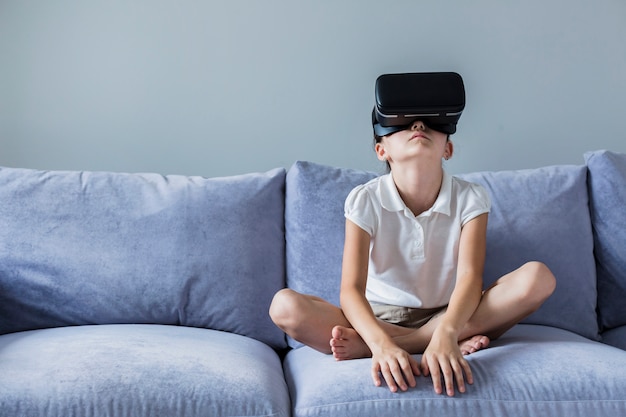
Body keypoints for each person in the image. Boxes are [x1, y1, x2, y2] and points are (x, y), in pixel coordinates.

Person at [269, 76, 556, 397]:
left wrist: (446, 330)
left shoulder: (471, 198)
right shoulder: (365, 199)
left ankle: (425, 341)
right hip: (379, 317)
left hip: (453, 313)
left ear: (448, 148)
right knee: (285, 306)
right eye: (404, 124)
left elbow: (470, 279)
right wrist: (379, 344)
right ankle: (420, 341)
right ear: (382, 149)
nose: (419, 125)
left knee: (538, 277)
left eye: (433, 124)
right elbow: (350, 290)